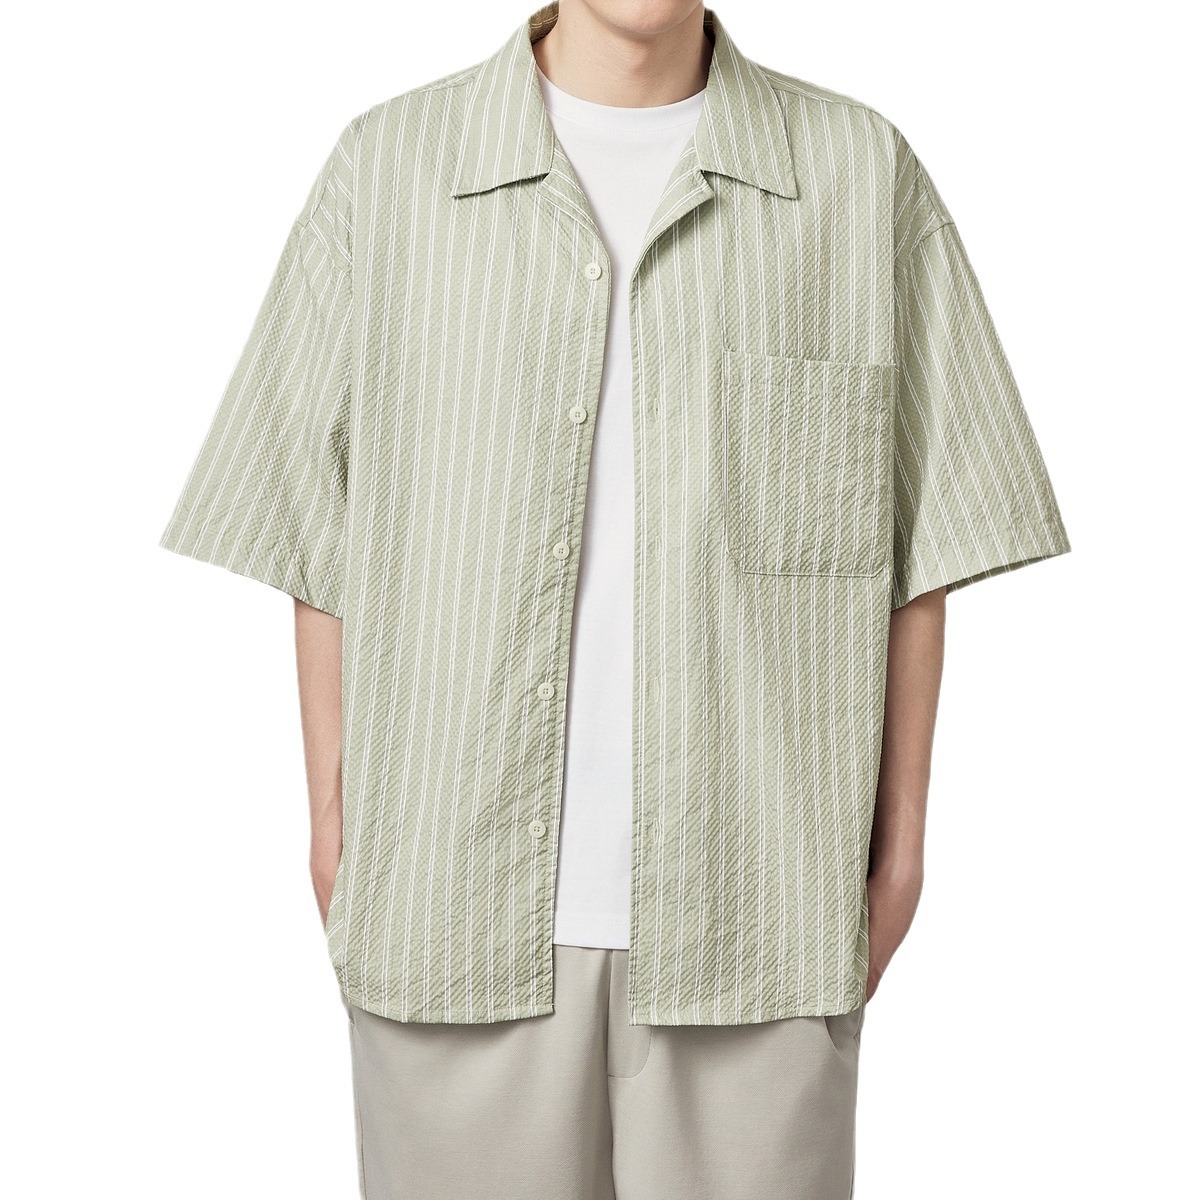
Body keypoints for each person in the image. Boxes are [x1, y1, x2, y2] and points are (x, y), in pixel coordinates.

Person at [158, 2, 1070, 1196]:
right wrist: (335, 824)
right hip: (447, 914)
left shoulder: (860, 178)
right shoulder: (388, 172)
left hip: (762, 925)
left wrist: (900, 848)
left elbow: (926, 535)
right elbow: (307, 522)